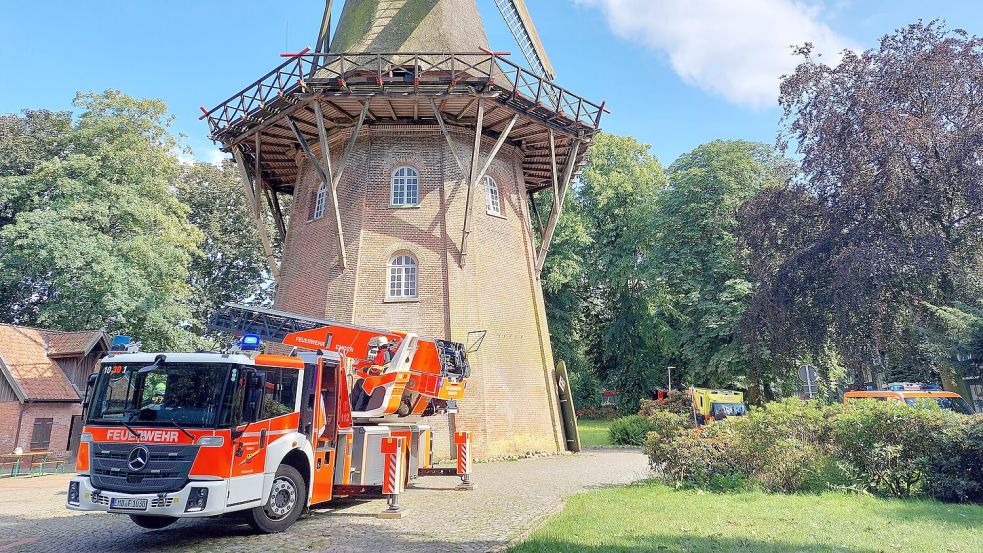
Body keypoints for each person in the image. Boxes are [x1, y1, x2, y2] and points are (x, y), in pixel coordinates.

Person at [350, 336, 394, 412]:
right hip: (387, 380)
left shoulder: (381, 354)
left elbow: (374, 370)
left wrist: (364, 369)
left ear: (379, 346)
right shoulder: (392, 354)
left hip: (378, 381)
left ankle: (355, 408)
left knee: (360, 383)